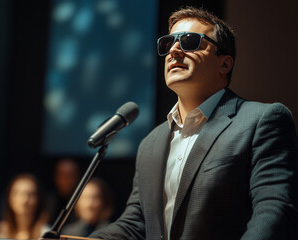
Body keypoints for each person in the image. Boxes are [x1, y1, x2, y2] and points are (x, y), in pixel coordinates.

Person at [90, 6, 298, 240]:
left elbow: (274, 211)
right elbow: (135, 224)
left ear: (225, 64)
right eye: (168, 44)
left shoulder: (262, 121)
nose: (174, 50)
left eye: (190, 41)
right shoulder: (151, 142)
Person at [0, 174, 49, 239]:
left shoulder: (46, 233)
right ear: (9, 197)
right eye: (18, 193)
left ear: (38, 199)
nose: (24, 200)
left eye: (30, 194)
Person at [47, 158, 81, 224]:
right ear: (56, 178)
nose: (68, 181)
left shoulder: (83, 202)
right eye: (64, 176)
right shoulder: (47, 202)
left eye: (71, 176)